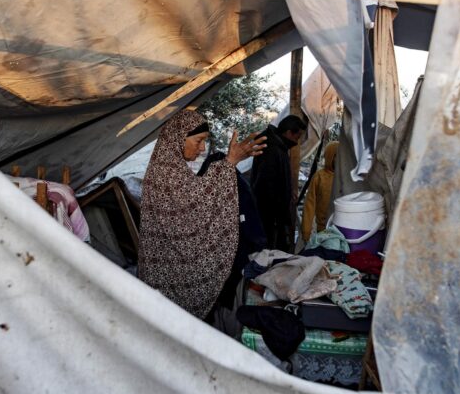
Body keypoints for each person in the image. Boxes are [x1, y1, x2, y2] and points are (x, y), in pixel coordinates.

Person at [137, 110, 266, 319]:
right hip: (166, 276)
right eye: (198, 140)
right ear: (178, 138)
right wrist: (229, 163)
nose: (203, 148)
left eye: (204, 141)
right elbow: (193, 205)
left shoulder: (172, 167)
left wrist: (228, 164)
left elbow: (194, 195)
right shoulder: (165, 170)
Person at [250, 114, 307, 252]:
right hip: (269, 213)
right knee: (267, 250)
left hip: (272, 212)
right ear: (288, 133)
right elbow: (266, 185)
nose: (297, 141)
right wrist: (277, 214)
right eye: (297, 137)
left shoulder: (278, 147)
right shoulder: (272, 149)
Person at [300, 141, 338, 243]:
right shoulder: (320, 176)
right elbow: (309, 205)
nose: (340, 160)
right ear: (330, 156)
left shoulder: (345, 178)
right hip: (322, 229)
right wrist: (306, 231)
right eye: (336, 156)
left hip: (340, 229)